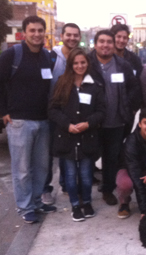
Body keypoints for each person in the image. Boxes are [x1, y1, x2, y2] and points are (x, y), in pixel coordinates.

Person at [0, 16, 56, 224]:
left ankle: (36, 202)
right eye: (32, 30)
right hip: (19, 121)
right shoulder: (11, 55)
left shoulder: (47, 57)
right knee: (22, 169)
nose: (37, 34)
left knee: (41, 167)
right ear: (24, 33)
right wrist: (3, 111)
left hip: (44, 121)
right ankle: (25, 207)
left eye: (40, 30)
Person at [49, 48, 105, 222]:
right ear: (70, 65)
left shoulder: (94, 85)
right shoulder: (62, 83)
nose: (80, 66)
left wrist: (89, 123)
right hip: (67, 139)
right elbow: (52, 109)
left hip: (87, 138)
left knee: (87, 176)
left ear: (87, 63)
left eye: (83, 62)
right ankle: (75, 205)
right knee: (71, 177)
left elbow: (102, 111)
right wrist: (67, 125)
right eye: (76, 63)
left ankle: (87, 202)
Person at [88, 30, 140, 206]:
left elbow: (134, 87)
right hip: (93, 122)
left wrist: (130, 107)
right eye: (101, 41)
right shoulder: (87, 63)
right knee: (90, 155)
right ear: (95, 44)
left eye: (109, 42)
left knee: (111, 158)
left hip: (116, 121)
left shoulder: (122, 65)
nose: (105, 45)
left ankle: (108, 189)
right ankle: (84, 191)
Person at [43, 23, 82, 205]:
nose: (72, 38)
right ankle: (45, 189)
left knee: (68, 150)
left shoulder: (79, 58)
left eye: (76, 35)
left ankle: (66, 184)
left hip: (72, 114)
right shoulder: (52, 57)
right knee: (49, 153)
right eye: (69, 35)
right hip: (52, 113)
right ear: (62, 35)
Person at [110, 24, 143, 138]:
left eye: (125, 38)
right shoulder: (105, 58)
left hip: (128, 111)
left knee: (124, 142)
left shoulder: (134, 59)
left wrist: (134, 108)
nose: (121, 40)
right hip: (108, 112)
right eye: (118, 37)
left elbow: (139, 84)